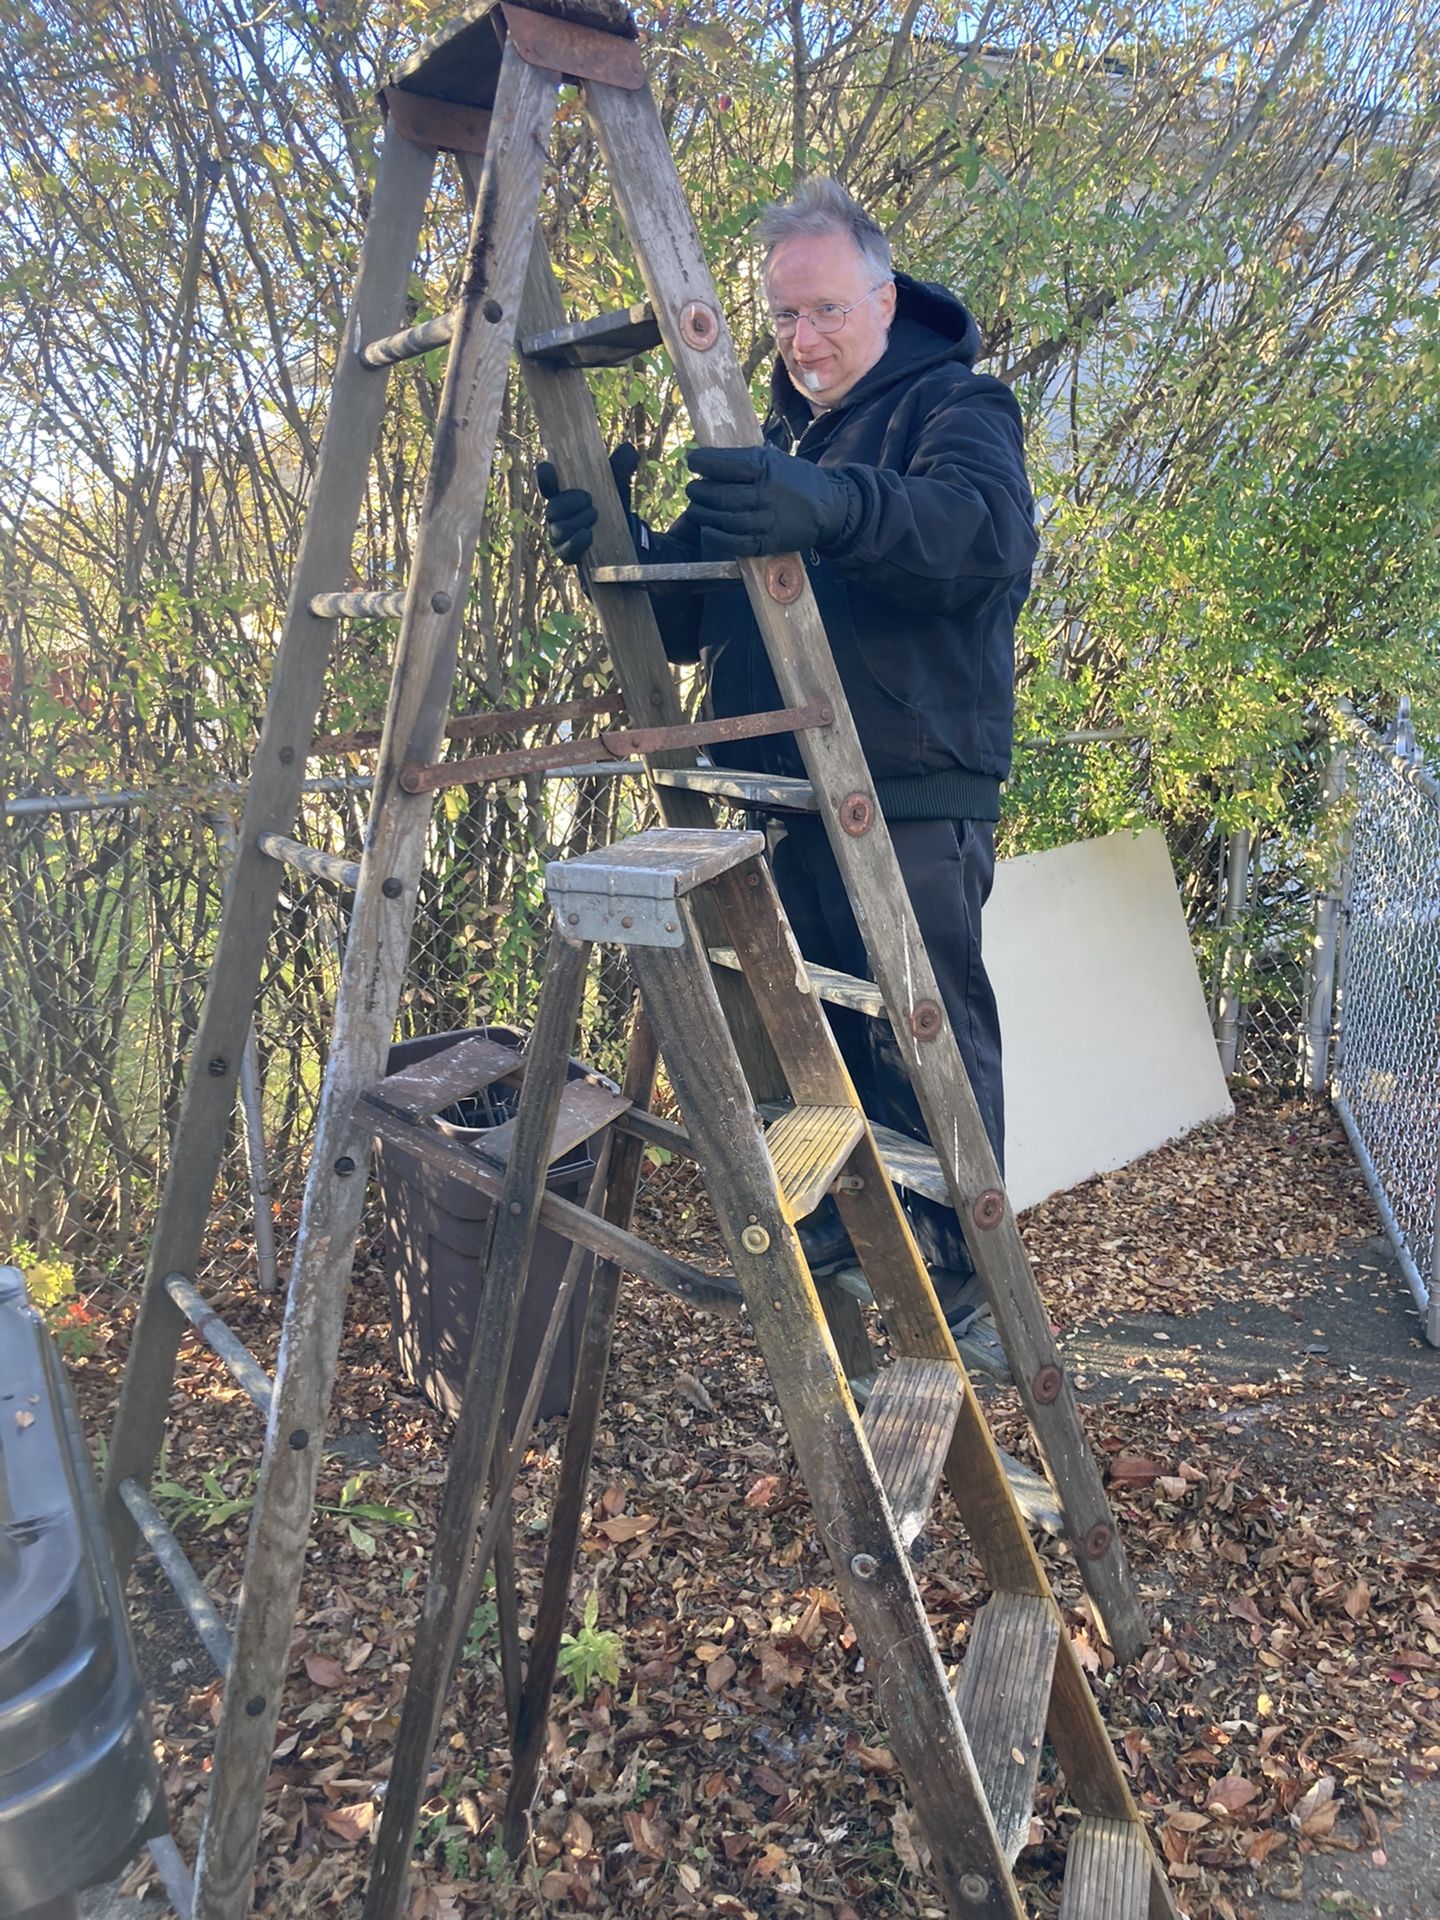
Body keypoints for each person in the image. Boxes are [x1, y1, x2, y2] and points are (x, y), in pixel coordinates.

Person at [539, 178, 1038, 1384]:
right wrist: (622, 549)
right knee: (801, 1026)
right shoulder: (766, 449)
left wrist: (829, 503)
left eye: (823, 312)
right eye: (783, 320)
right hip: (777, 789)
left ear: (883, 297)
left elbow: (982, 540)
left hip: (904, 783)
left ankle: (959, 1276)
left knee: (920, 1024)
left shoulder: (958, 407)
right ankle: (839, 1224)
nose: (802, 340)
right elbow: (700, 624)